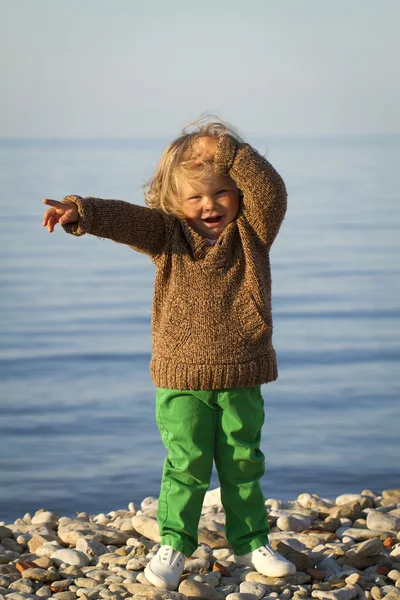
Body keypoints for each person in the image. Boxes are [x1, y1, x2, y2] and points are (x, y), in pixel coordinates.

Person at [42, 117, 295, 591]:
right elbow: (124, 219)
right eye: (196, 197)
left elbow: (273, 189)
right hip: (180, 375)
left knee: (243, 460)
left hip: (242, 369)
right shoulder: (167, 236)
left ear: (239, 193)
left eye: (221, 192)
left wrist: (228, 150)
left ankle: (251, 539)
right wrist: (82, 212)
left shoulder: (254, 233)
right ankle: (175, 544)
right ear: (174, 203)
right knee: (187, 462)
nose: (210, 205)